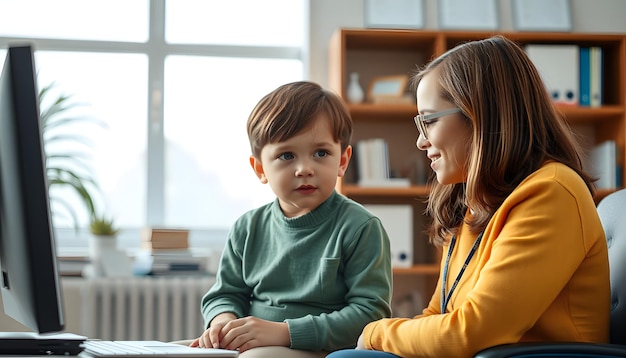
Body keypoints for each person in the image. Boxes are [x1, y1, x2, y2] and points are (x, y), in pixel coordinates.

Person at [327, 35, 610, 357]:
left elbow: (471, 332)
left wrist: (376, 332)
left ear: (481, 114)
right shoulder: (476, 202)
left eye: (430, 121)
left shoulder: (552, 192)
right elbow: (439, 315)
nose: (421, 141)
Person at [190, 81, 393, 357]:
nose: (305, 169)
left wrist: (285, 332)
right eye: (287, 155)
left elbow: (369, 314)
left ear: (342, 161)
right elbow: (225, 294)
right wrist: (223, 323)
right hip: (250, 346)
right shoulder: (247, 228)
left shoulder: (360, 228)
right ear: (260, 168)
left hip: (318, 349)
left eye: (321, 153)